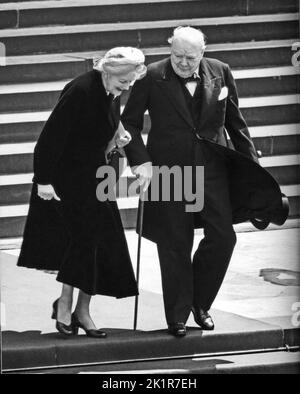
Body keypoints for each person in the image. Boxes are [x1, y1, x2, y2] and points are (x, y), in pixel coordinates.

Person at [122, 26, 262, 337]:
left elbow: (236, 124)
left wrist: (254, 171)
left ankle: (200, 302)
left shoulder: (221, 71)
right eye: (177, 56)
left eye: (190, 58)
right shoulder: (151, 75)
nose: (183, 63)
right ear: (169, 48)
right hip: (168, 172)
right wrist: (140, 160)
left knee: (224, 237)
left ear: (202, 53)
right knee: (175, 243)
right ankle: (177, 314)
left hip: (213, 169)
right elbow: (128, 124)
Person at [17, 47, 147, 338]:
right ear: (109, 70)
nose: (126, 88)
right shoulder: (80, 90)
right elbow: (49, 139)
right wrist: (44, 181)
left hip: (96, 175)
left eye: (130, 83)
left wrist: (118, 133)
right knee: (84, 241)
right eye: (123, 82)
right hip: (68, 179)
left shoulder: (112, 89)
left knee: (102, 242)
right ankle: (67, 305)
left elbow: (106, 115)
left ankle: (81, 309)